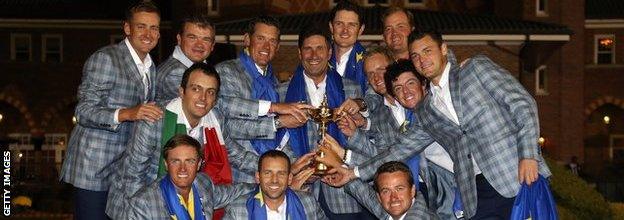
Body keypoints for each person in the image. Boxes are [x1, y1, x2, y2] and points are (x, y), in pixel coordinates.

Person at [321, 29, 552, 219]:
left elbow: (523, 104)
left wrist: (528, 155)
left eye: (427, 51)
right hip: (475, 191)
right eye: (416, 56)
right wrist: (353, 173)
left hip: (516, 174)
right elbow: (397, 151)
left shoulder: (475, 69)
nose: (422, 59)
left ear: (443, 49)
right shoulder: (426, 110)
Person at [59, 1, 163, 218]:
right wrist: (127, 113)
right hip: (93, 170)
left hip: (123, 171)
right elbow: (84, 111)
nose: (148, 33)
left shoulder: (150, 65)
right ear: (127, 28)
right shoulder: (106, 58)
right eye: (141, 26)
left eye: (154, 28)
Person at [106, 63, 240, 219]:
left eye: (210, 92)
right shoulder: (155, 119)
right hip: (140, 204)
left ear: (215, 100)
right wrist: (141, 213)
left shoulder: (215, 119)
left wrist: (268, 166)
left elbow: (237, 154)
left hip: (187, 199)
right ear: (182, 92)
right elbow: (133, 175)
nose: (203, 98)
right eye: (196, 89)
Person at [277, 23, 370, 220]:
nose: (314, 55)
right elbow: (278, 142)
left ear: (329, 53)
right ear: (300, 53)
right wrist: (300, 169)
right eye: (308, 49)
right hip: (300, 190)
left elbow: (366, 141)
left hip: (344, 195)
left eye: (320, 48)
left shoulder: (352, 90)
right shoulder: (282, 93)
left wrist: (341, 160)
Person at [215, 16, 312, 183]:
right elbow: (230, 127)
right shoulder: (226, 71)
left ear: (278, 47)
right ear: (247, 39)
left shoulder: (273, 82)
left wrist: (295, 166)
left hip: (273, 177)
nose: (266, 46)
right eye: (260, 38)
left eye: (272, 41)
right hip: (241, 176)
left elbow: (278, 137)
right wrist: (278, 117)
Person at [128, 134, 255, 219]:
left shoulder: (203, 183)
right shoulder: (143, 202)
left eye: (190, 161)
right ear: (166, 164)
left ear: (199, 164)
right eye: (176, 161)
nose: (182, 169)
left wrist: (266, 185)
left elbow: (233, 192)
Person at [223, 150, 327, 220]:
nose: (274, 180)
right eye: (268, 173)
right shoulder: (237, 209)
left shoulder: (308, 202)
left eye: (281, 174)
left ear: (290, 178)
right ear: (258, 177)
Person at [339, 161, 438, 219]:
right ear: (379, 197)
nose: (393, 198)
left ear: (412, 191)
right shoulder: (394, 209)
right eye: (386, 191)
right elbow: (365, 195)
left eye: (399, 189)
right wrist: (339, 169)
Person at [155, 13, 216, 103]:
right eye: (192, 38)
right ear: (179, 39)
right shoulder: (175, 73)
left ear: (212, 45)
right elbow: (203, 108)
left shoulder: (198, 68)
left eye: (206, 39)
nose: (199, 44)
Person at [328, 0, 368, 93]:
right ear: (331, 27)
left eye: (351, 25)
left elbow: (376, 97)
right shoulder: (318, 59)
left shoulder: (368, 62)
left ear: (361, 29)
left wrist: (360, 104)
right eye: (339, 24)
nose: (345, 30)